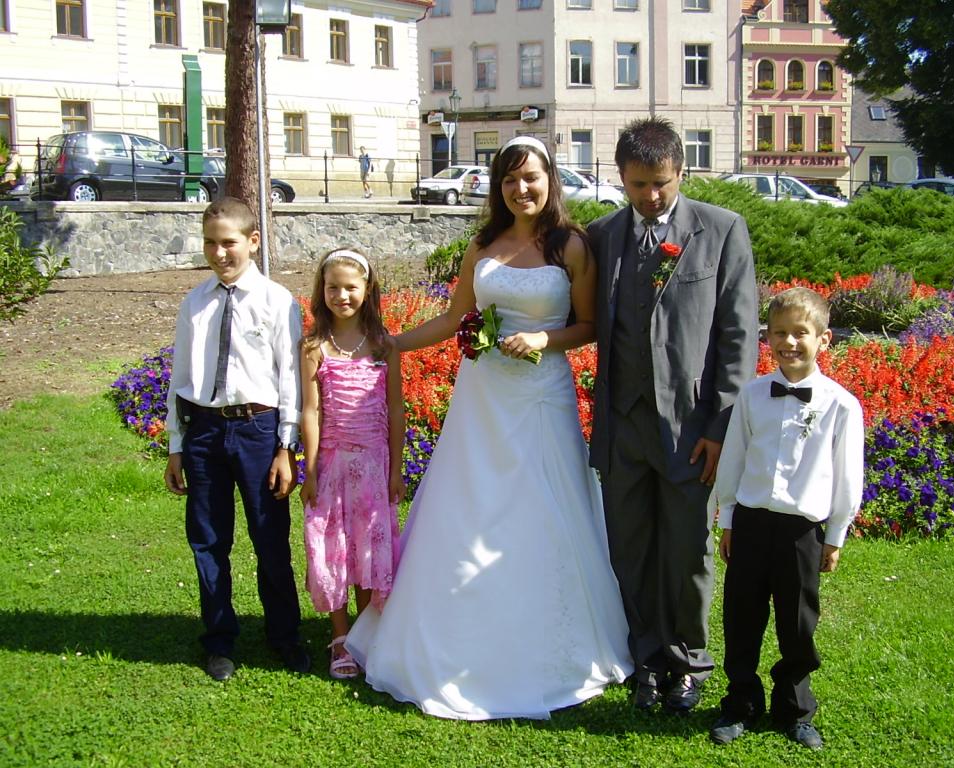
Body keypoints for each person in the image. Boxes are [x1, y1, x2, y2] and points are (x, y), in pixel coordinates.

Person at [345, 135, 632, 720]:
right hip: (483, 397)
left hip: (541, 397)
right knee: (467, 505)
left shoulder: (572, 246)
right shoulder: (482, 245)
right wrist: (393, 343)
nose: (521, 189)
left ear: (550, 180)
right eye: (509, 180)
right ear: (498, 188)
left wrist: (544, 338)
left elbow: (590, 325)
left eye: (531, 178)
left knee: (544, 507)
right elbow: (456, 318)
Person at [586, 117, 759, 712]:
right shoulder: (602, 235)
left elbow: (739, 336)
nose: (651, 196)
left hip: (691, 426)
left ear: (681, 172)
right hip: (622, 423)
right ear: (621, 178)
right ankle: (646, 659)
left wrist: (721, 427)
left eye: (661, 183)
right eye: (638, 185)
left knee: (687, 550)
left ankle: (689, 659)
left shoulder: (721, 229)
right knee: (629, 547)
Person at [709, 287, 864, 750]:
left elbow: (847, 475)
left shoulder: (840, 404)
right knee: (741, 617)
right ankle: (740, 702)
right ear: (767, 338)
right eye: (779, 333)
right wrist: (728, 518)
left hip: (802, 531)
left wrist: (835, 535)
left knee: (797, 623)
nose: (789, 342)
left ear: (824, 339)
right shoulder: (752, 395)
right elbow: (734, 459)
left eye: (800, 333)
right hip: (752, 522)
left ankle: (795, 708)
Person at [163, 197, 309, 681]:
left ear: (253, 241)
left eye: (228, 242)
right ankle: (219, 639)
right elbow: (181, 377)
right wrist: (176, 445)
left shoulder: (276, 301)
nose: (219, 252)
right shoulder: (195, 303)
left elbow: (290, 378)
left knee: (270, 539)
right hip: (204, 431)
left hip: (257, 431)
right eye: (210, 243)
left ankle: (284, 635)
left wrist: (285, 448)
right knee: (208, 539)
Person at [299, 247, 404, 679]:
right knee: (333, 550)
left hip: (374, 468)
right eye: (332, 288)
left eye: (350, 288)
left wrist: (395, 469)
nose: (341, 296)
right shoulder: (314, 347)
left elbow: (395, 409)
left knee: (367, 548)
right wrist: (310, 470)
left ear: (367, 289)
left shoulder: (384, 346)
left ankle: (365, 634)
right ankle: (340, 637)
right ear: (321, 291)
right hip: (332, 466)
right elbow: (311, 411)